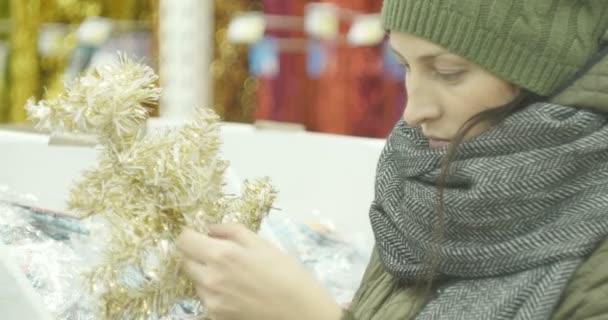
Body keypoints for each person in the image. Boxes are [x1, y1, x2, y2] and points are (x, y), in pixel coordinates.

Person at [177, 0, 608, 319]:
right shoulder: (421, 188)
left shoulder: (594, 254)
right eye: (404, 64)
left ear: (546, 74)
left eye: (448, 72)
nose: (413, 111)